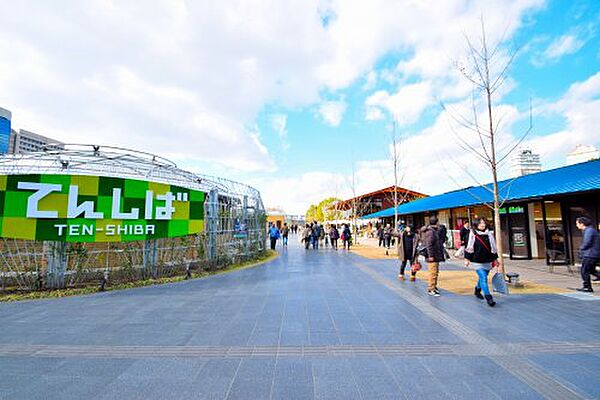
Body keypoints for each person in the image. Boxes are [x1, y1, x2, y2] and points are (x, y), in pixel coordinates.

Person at [464, 218, 498, 307]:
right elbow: (469, 247)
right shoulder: (472, 234)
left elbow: (493, 248)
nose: (482, 225)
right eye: (480, 223)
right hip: (477, 261)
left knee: (483, 277)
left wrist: (495, 259)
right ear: (476, 225)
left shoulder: (489, 234)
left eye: (483, 223)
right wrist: (467, 259)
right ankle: (489, 298)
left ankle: (477, 290)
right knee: (483, 278)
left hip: (488, 260)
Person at [420, 216, 446, 296]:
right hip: (432, 255)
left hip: (435, 254)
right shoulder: (431, 232)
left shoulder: (433, 231)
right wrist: (431, 255)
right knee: (433, 272)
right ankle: (431, 288)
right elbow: (429, 245)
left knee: (435, 272)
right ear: (436, 222)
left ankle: (434, 287)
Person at [575, 217, 600, 292]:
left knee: (584, 270)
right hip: (593, 254)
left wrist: (581, 249)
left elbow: (587, 242)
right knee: (591, 270)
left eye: (577, 223)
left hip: (590, 254)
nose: (576, 225)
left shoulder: (589, 231)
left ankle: (587, 287)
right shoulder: (589, 230)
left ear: (582, 224)